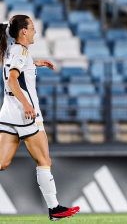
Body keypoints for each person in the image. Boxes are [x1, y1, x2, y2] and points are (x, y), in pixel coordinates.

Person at [0, 15, 80, 221]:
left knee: (2, 162)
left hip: (8, 112)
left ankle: (55, 209)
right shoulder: (21, 51)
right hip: (25, 115)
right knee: (44, 160)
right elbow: (12, 79)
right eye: (32, 27)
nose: (35, 31)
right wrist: (27, 104)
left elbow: (11, 67)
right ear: (24, 31)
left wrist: (33, 64)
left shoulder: (11, 49)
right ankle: (55, 209)